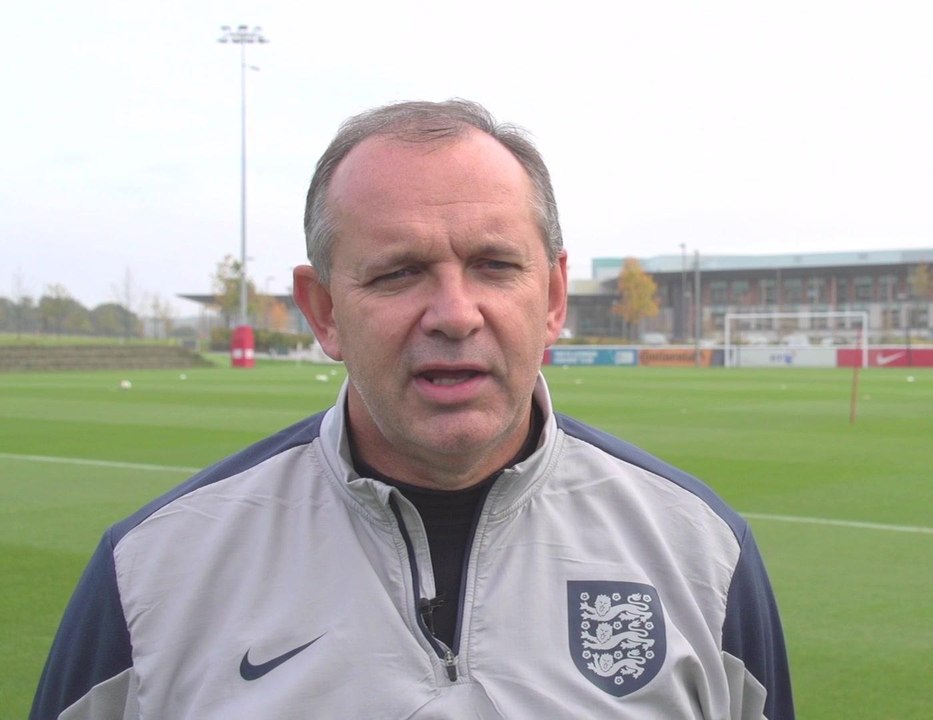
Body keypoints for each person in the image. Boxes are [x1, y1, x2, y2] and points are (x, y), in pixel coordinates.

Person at [31, 100, 793, 719]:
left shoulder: (703, 555)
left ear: (554, 296)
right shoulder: (150, 575)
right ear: (324, 310)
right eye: (398, 273)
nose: (455, 315)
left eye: (494, 265)